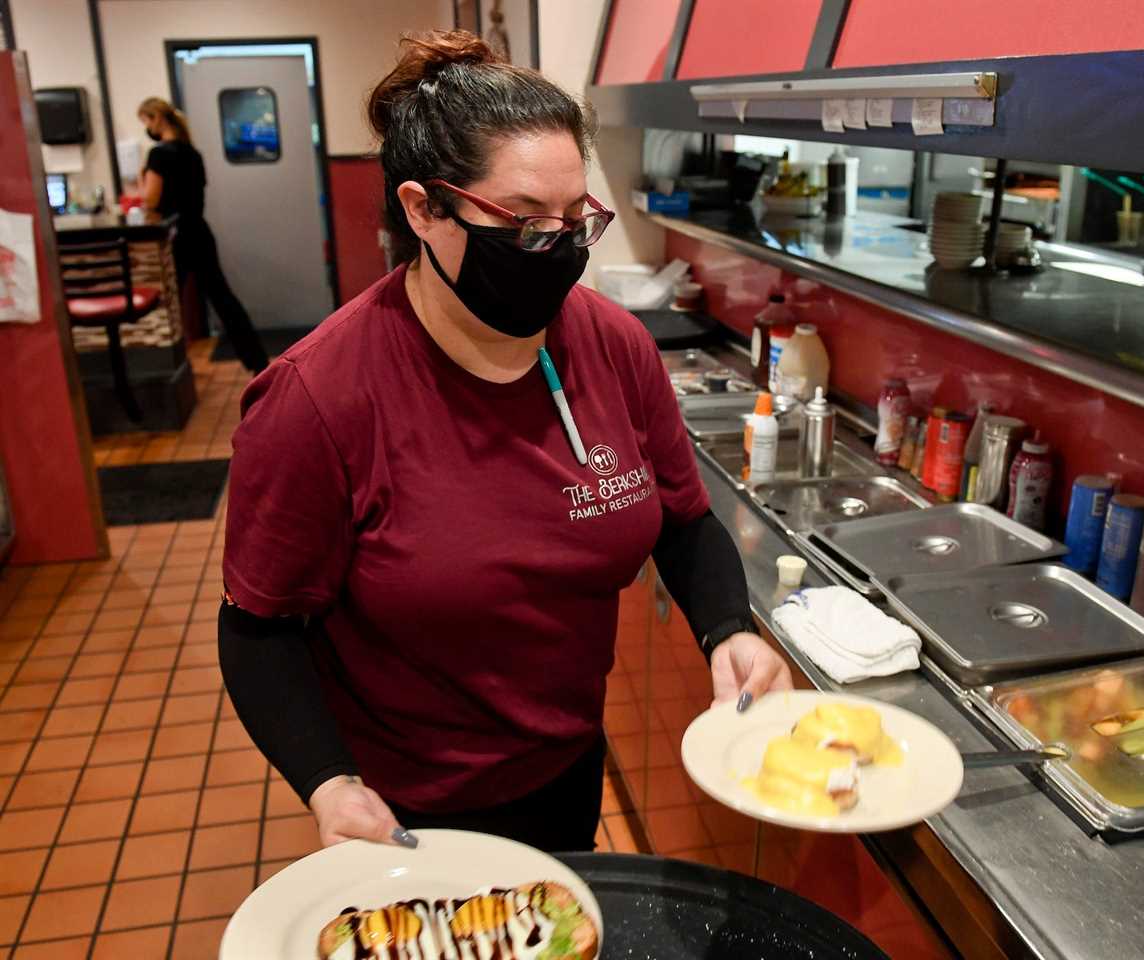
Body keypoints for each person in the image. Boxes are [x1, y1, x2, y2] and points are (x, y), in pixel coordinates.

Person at [216, 30, 792, 854]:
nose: (555, 249)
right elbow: (258, 627)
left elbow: (683, 521)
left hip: (565, 771)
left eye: (574, 220)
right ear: (424, 209)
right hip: (407, 811)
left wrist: (727, 627)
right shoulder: (319, 398)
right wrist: (328, 783)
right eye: (521, 223)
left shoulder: (613, 347)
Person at [137, 97, 268, 374]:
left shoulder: (158, 154)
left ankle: (169, 367)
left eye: (146, 121)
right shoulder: (192, 153)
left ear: (157, 119)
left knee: (168, 305)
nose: (146, 128)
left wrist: (142, 176)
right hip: (199, 232)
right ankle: (257, 362)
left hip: (174, 237)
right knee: (223, 298)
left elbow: (150, 199)